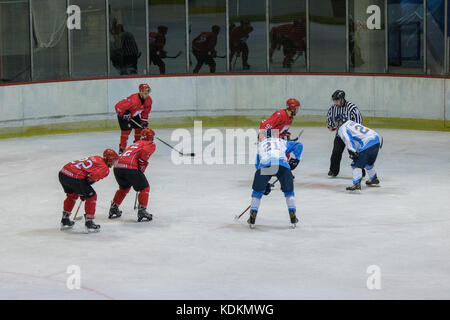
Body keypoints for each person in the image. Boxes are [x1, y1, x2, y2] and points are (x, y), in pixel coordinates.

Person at [248, 129, 303, 228]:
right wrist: (296, 159)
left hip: (265, 166)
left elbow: (258, 166)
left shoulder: (260, 146)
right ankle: (293, 215)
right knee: (289, 192)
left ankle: (252, 216)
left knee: (257, 193)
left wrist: (264, 185)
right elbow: (299, 145)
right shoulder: (281, 142)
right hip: (282, 165)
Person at [59, 149, 119, 232]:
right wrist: (84, 193)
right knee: (91, 196)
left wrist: (82, 192)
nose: (114, 163)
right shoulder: (105, 169)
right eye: (113, 161)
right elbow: (89, 180)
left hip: (63, 173)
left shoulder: (97, 158)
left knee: (72, 195)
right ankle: (89, 223)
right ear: (109, 160)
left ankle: (65, 220)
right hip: (74, 177)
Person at [109, 128, 156, 222]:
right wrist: (142, 166)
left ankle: (114, 207)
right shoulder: (149, 144)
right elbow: (144, 154)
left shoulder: (135, 143)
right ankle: (142, 210)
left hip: (117, 167)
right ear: (150, 137)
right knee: (144, 188)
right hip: (129, 168)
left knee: (124, 188)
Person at [335, 114, 382, 192]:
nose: (337, 124)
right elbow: (357, 139)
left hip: (368, 142)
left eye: (337, 122)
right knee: (368, 163)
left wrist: (352, 151)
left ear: (340, 122)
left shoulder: (343, 128)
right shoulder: (351, 122)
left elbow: (348, 139)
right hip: (376, 139)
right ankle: (374, 179)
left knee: (356, 164)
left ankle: (356, 185)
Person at [326, 90, 363, 177]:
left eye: (337, 100)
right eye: (334, 100)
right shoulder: (333, 108)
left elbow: (359, 121)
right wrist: (330, 126)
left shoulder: (352, 108)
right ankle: (333, 171)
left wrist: (354, 134)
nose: (335, 102)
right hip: (340, 135)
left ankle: (361, 171)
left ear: (342, 99)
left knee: (355, 154)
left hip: (352, 136)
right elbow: (329, 118)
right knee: (336, 152)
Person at [115, 83, 153, 154]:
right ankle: (122, 148)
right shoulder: (133, 100)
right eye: (145, 93)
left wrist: (144, 122)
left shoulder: (149, 100)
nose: (147, 94)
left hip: (134, 115)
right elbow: (117, 106)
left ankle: (136, 146)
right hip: (123, 116)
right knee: (126, 131)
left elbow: (145, 112)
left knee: (139, 129)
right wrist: (125, 113)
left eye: (148, 92)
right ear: (140, 91)